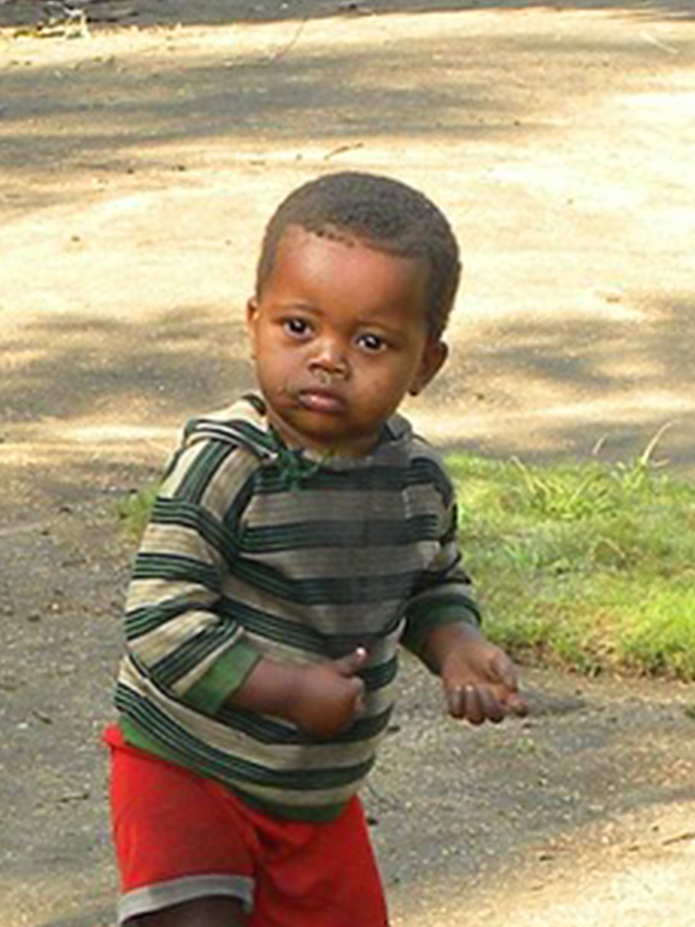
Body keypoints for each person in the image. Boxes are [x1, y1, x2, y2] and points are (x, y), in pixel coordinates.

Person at [109, 170, 526, 927]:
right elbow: (158, 621)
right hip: (186, 762)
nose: (328, 357)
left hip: (314, 793)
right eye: (299, 327)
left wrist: (458, 644)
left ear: (425, 363)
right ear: (253, 321)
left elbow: (430, 578)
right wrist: (284, 688)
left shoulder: (413, 475)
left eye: (370, 341)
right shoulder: (228, 460)